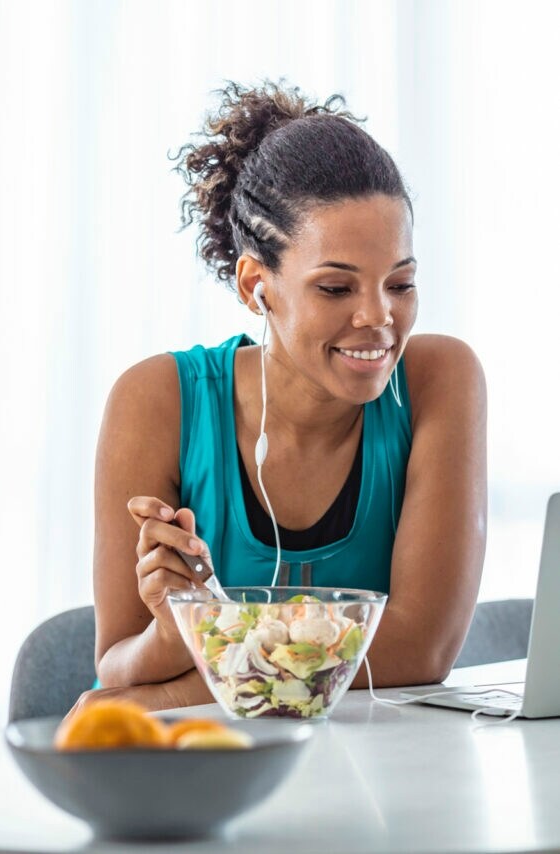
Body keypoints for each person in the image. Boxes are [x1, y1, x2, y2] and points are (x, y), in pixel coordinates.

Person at [70, 80, 486, 716]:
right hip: (211, 766)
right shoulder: (156, 401)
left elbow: (421, 650)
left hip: (381, 768)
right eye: (336, 288)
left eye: (400, 284)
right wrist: (174, 630)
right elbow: (118, 664)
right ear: (255, 285)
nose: (379, 317)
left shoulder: (438, 380)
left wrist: (176, 690)